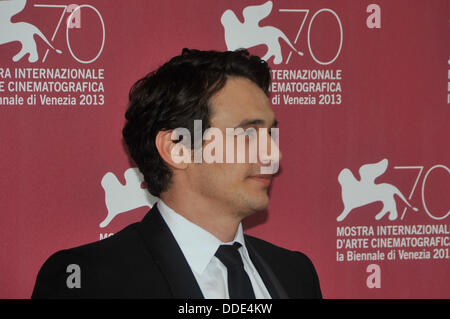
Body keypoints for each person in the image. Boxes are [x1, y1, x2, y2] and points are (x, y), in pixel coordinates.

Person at [31, 48, 322, 299]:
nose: (273, 155)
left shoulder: (295, 274)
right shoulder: (87, 280)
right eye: (247, 133)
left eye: (270, 135)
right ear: (177, 148)